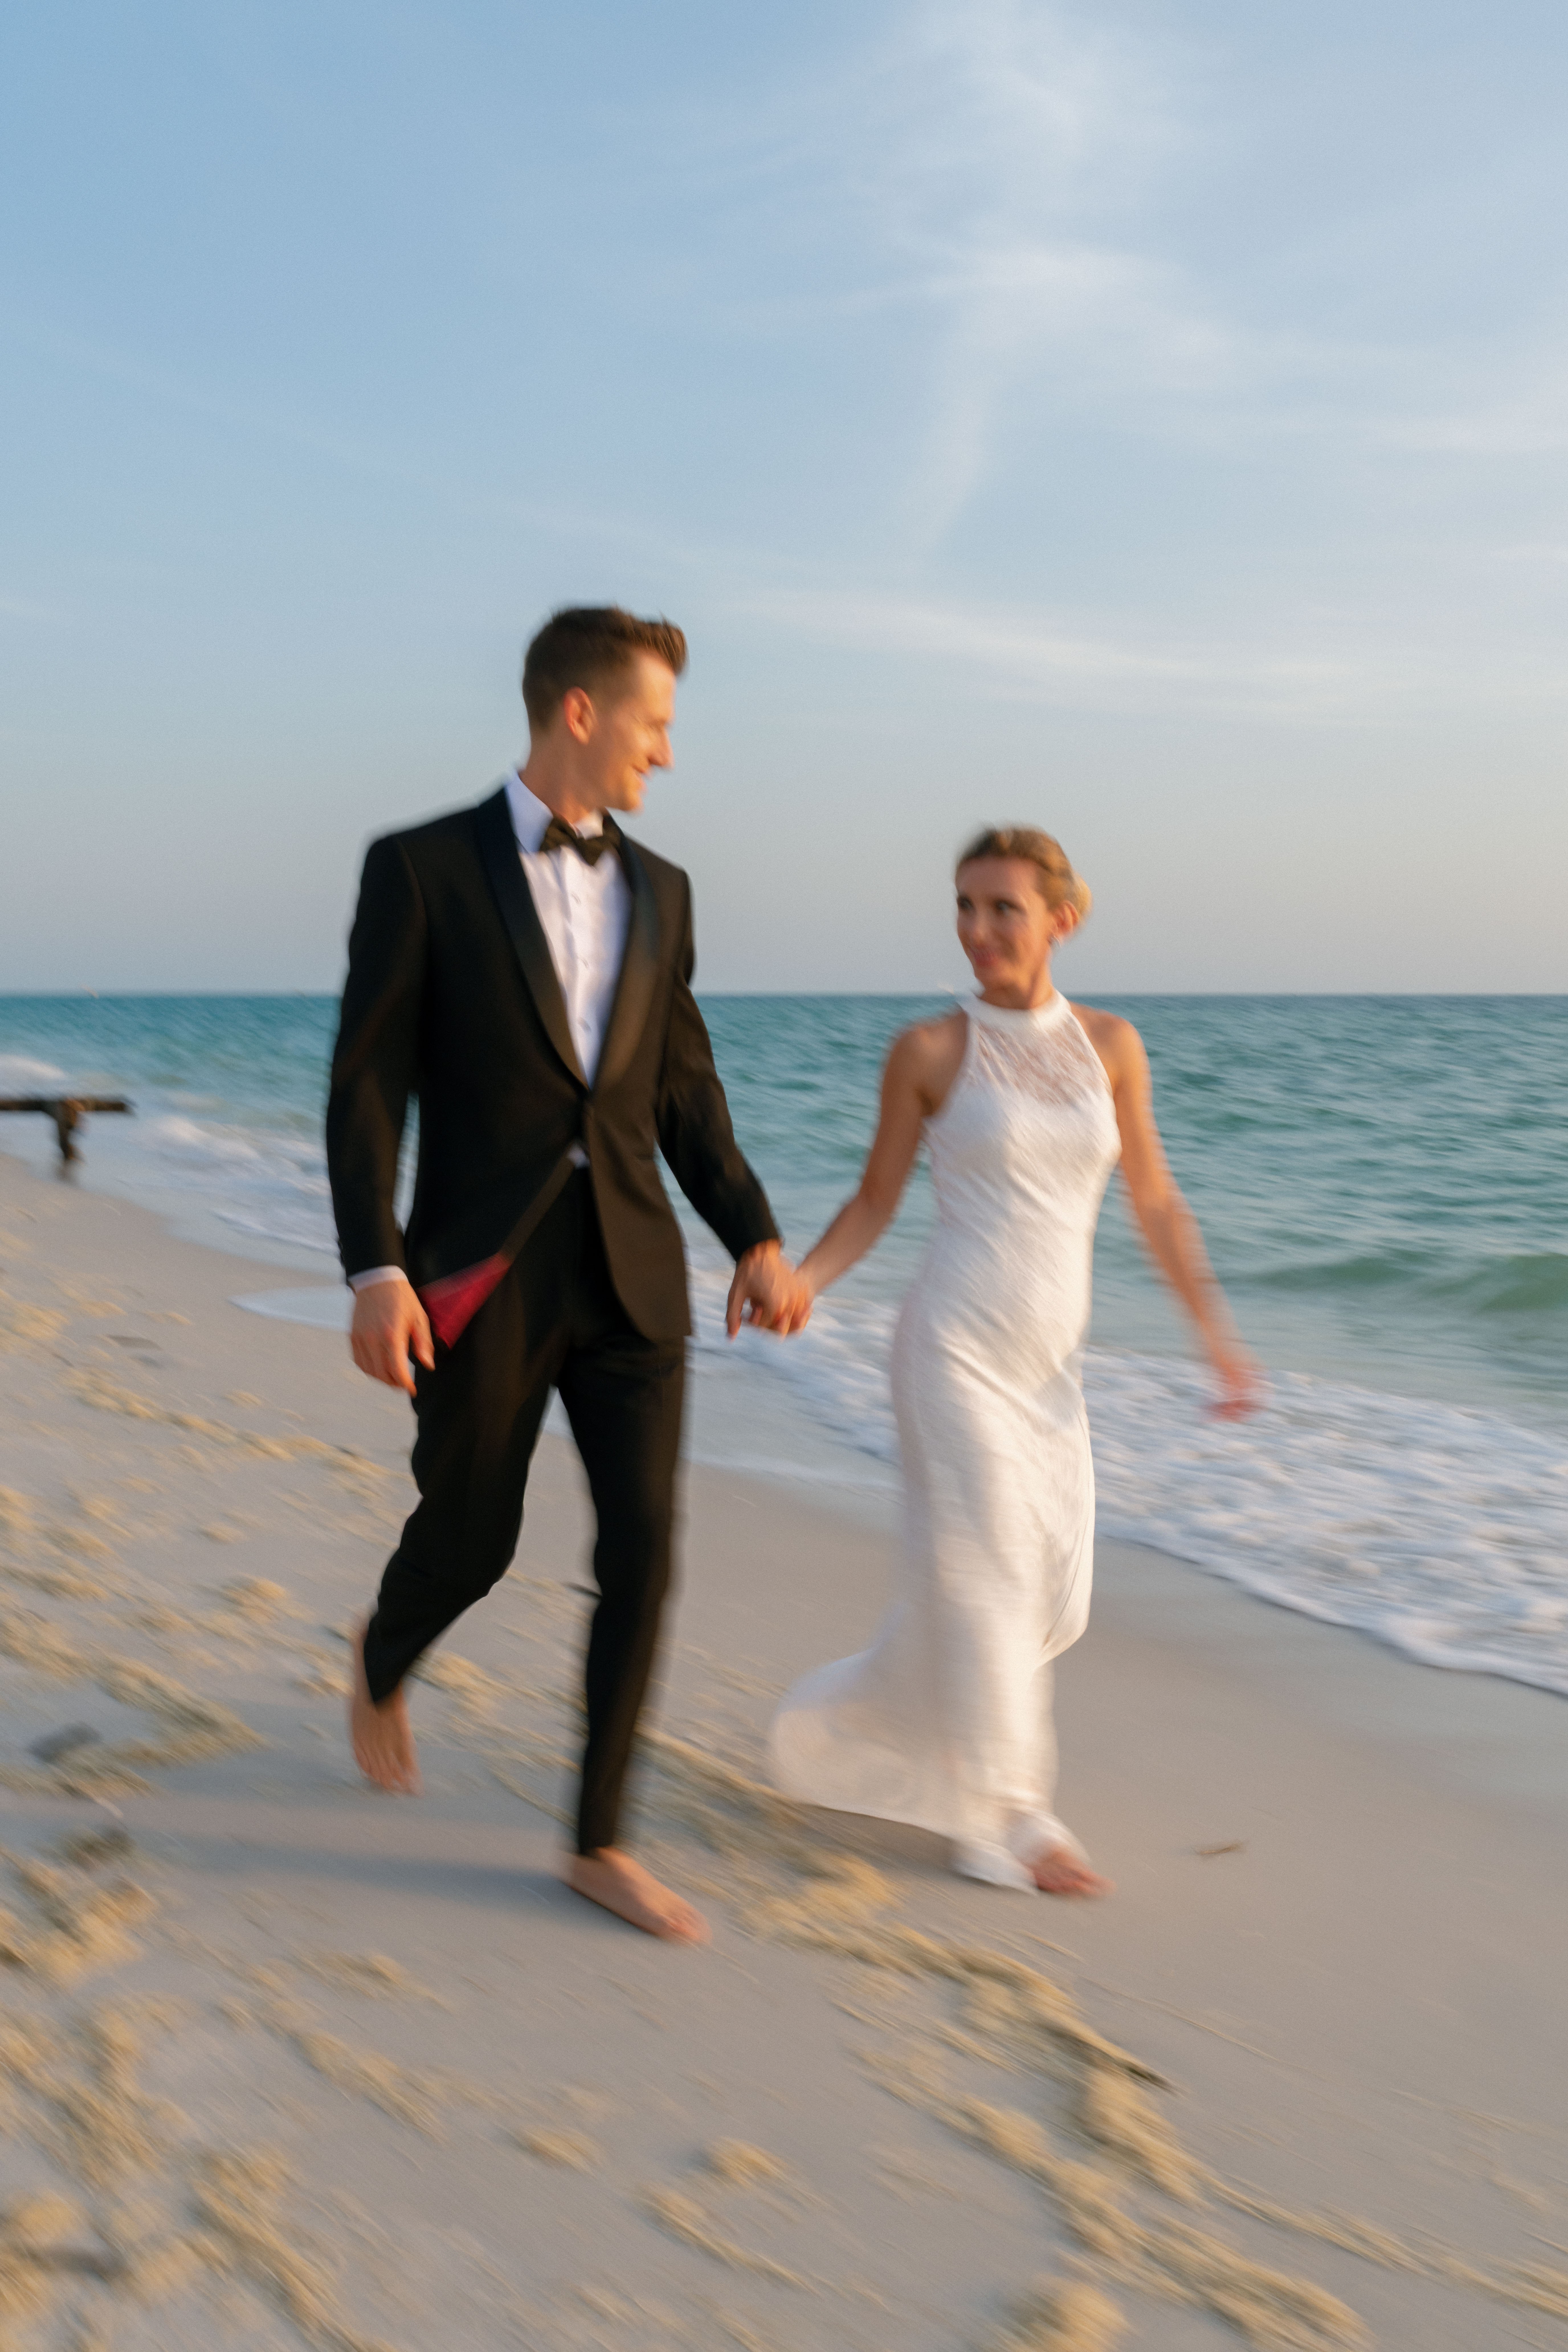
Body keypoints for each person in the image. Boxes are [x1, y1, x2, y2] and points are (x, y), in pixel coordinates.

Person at [326, 606, 807, 1943]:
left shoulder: (668, 891)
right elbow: (365, 1085)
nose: (667, 752)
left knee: (646, 1553)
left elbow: (684, 1088)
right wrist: (375, 1264)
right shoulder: (417, 869)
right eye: (655, 724)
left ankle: (597, 1841)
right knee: (472, 1538)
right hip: (477, 1279)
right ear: (581, 713)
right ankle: (380, 1655)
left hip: (636, 1278)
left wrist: (753, 1238)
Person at [767, 827, 1258, 1895]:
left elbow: (1157, 1201)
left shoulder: (1113, 1047)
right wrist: (806, 1281)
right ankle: (1012, 1819)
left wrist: (1214, 1334)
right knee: (989, 1573)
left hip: (1051, 1370)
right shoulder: (932, 1052)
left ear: (1060, 921)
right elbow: (877, 1201)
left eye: (1004, 909)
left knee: (1049, 1596)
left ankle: (859, 1723)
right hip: (953, 1346)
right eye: (965, 906)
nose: (979, 930)